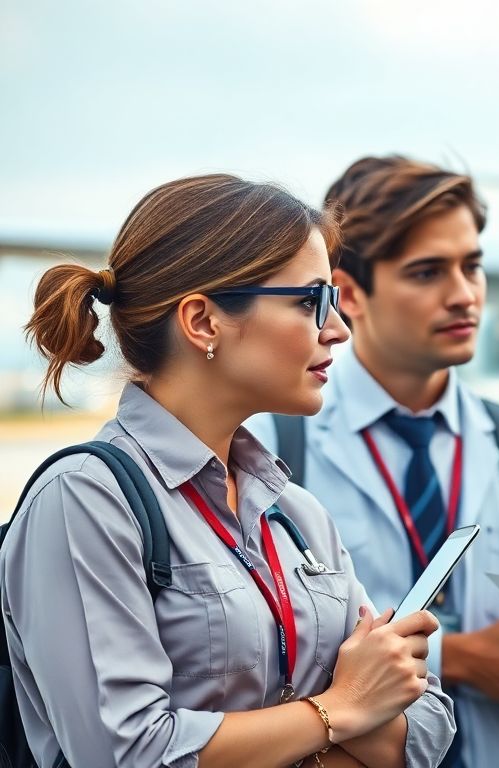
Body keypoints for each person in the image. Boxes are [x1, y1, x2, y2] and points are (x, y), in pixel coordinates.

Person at [2, 174, 454, 767]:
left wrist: (340, 716)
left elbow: (426, 728)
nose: (339, 329)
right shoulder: (83, 502)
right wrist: (340, 709)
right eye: (310, 300)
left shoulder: (294, 512)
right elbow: (126, 753)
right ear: (203, 321)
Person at [246, 155, 499, 768]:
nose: (464, 294)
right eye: (427, 273)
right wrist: (465, 658)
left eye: (472, 265)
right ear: (347, 295)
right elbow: (258, 665)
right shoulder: (269, 451)